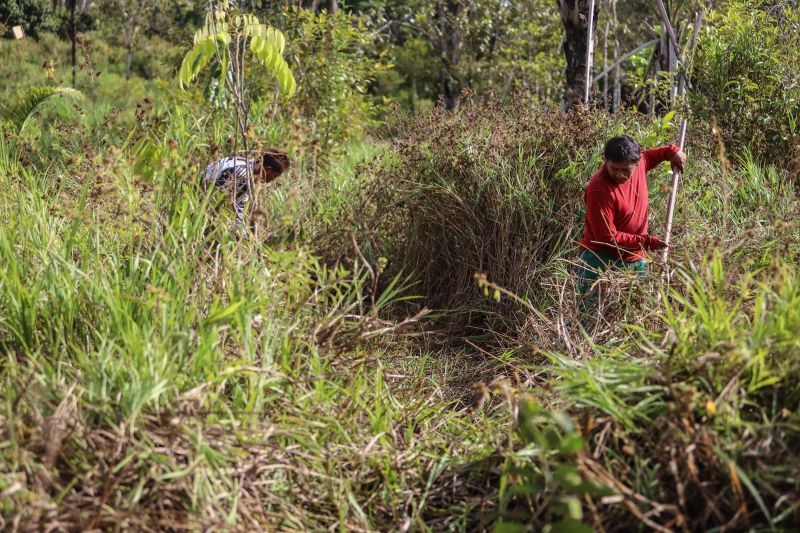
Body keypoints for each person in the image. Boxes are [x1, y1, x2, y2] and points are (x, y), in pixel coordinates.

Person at [577, 135, 686, 299]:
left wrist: (672, 152)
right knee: (592, 319)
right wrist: (647, 242)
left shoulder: (640, 162)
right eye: (614, 169)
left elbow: (650, 156)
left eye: (626, 170)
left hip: (636, 259)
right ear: (605, 161)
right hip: (601, 262)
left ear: (636, 163)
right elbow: (607, 238)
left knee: (637, 315)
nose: (620, 175)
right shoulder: (599, 189)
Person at [203, 150, 290, 236]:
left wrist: (244, 233)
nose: (273, 180)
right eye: (274, 176)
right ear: (268, 170)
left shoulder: (250, 171)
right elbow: (217, 201)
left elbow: (238, 205)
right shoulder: (242, 173)